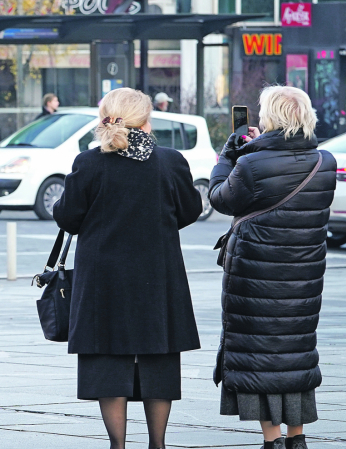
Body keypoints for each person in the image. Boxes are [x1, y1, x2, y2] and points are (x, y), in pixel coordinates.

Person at [52, 88, 202, 449]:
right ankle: (158, 444)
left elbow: (68, 218)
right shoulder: (171, 161)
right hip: (158, 275)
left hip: (104, 278)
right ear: (146, 119)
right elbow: (190, 210)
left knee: (107, 357)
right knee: (158, 356)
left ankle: (117, 445)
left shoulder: (88, 163)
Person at [209, 86, 337, 449]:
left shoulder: (251, 163)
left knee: (260, 356)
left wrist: (227, 156)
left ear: (271, 117)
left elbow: (220, 198)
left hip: (256, 279)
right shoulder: (324, 163)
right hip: (304, 280)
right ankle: (297, 439)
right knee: (294, 354)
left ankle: (273, 441)